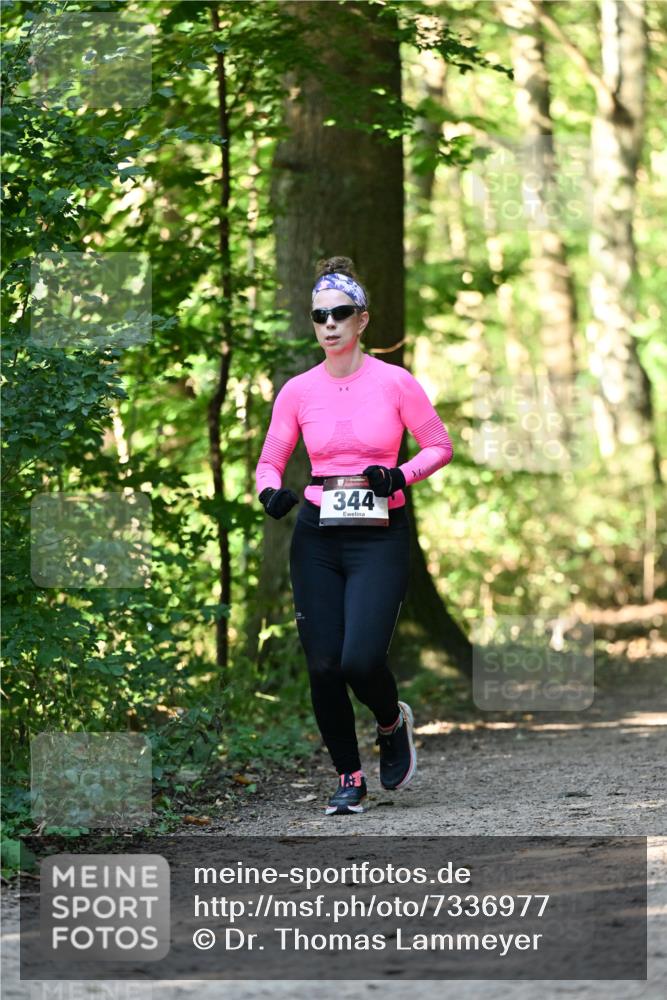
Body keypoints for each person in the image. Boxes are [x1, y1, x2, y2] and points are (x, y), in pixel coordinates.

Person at [255, 256, 453, 815]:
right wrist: (270, 492)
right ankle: (349, 777)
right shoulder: (297, 391)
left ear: (362, 320)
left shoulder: (395, 382)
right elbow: (271, 461)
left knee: (360, 661)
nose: (330, 325)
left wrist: (401, 474)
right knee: (322, 665)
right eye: (320, 316)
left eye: (341, 313)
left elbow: (439, 445)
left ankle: (391, 722)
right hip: (318, 533)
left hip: (379, 532)